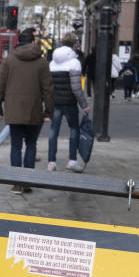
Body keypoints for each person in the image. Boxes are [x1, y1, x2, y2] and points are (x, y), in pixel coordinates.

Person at [0, 27, 54, 195]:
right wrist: (48, 112)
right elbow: (48, 90)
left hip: (13, 110)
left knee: (16, 146)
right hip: (34, 110)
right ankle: (27, 182)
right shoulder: (42, 62)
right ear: (33, 41)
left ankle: (17, 184)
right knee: (31, 144)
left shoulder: (10, 60)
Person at [47, 33, 90, 173]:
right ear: (74, 44)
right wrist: (84, 105)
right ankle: (72, 160)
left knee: (54, 131)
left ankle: (51, 162)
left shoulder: (52, 63)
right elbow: (77, 88)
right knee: (74, 129)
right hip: (70, 103)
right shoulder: (74, 63)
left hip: (55, 101)